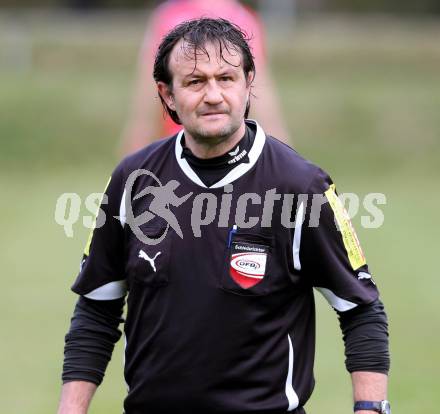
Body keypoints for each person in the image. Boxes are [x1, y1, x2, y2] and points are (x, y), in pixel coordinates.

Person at [58, 18, 390, 414]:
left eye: (226, 78)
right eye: (195, 81)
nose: (213, 95)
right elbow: (96, 308)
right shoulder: (133, 180)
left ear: (249, 83)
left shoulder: (301, 186)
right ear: (167, 95)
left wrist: (371, 407)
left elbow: (361, 310)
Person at [121, 0, 290, 154]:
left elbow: (145, 108)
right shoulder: (168, 18)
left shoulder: (167, 16)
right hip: (195, 147)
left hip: (206, 149)